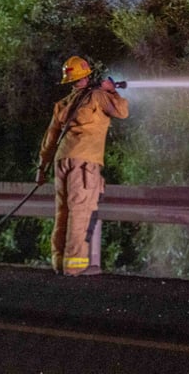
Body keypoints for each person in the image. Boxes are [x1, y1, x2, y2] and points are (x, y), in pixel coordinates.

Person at [36, 56, 129, 276]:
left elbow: (49, 140)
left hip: (61, 162)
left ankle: (59, 263)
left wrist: (42, 169)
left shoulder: (63, 104)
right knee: (80, 212)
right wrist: (112, 91)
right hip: (84, 163)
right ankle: (74, 267)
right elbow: (122, 112)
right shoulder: (98, 96)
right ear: (87, 75)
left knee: (63, 213)